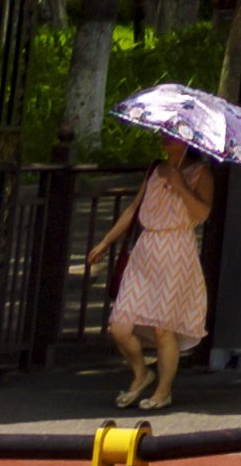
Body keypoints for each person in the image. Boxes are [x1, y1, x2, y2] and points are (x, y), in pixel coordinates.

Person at [79, 143, 217, 412]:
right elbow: (134, 208)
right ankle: (142, 373)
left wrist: (181, 186)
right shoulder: (156, 168)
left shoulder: (201, 173)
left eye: (172, 134)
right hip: (145, 251)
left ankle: (163, 391)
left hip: (176, 251)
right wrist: (106, 242)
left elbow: (203, 214)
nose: (165, 138)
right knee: (120, 326)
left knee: (163, 328)